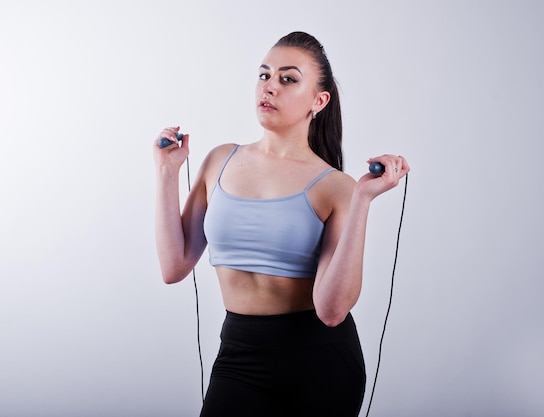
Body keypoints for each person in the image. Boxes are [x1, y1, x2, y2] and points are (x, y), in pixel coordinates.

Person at [153, 31, 410, 417]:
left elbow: (331, 310)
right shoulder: (219, 160)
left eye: (288, 79)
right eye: (264, 75)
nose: (270, 86)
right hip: (239, 356)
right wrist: (166, 173)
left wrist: (361, 199)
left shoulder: (337, 187)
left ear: (319, 101)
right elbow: (174, 267)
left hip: (321, 363)